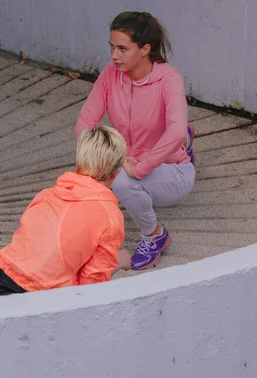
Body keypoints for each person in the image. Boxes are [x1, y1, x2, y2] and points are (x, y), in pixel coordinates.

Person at [0, 126, 131, 300]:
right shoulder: (110, 217)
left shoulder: (49, 193)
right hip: (36, 296)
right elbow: (90, 287)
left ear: (80, 162)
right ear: (116, 172)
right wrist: (118, 262)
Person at [75, 11, 196, 271]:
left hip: (175, 170)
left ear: (145, 50)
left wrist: (139, 167)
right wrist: (102, 158)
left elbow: (172, 133)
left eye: (122, 48)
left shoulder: (169, 79)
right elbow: (86, 121)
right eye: (111, 47)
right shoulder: (111, 74)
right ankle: (185, 139)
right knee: (93, 174)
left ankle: (155, 235)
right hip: (128, 158)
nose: (114, 56)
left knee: (121, 180)